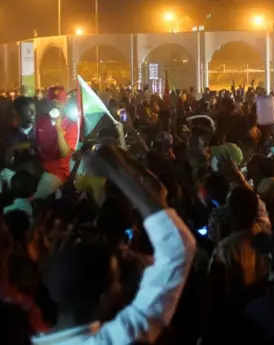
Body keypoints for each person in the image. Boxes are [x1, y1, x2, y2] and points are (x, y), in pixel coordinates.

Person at [32, 142, 196, 345]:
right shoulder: (114, 340)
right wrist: (115, 168)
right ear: (105, 299)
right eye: (115, 282)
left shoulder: (15, 335)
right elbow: (177, 247)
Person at [33, 87, 79, 199]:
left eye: (59, 102)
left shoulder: (71, 125)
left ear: (65, 103)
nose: (55, 105)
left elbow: (65, 153)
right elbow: (35, 142)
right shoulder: (41, 120)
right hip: (40, 166)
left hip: (59, 171)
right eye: (52, 102)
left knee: (35, 197)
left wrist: (58, 128)